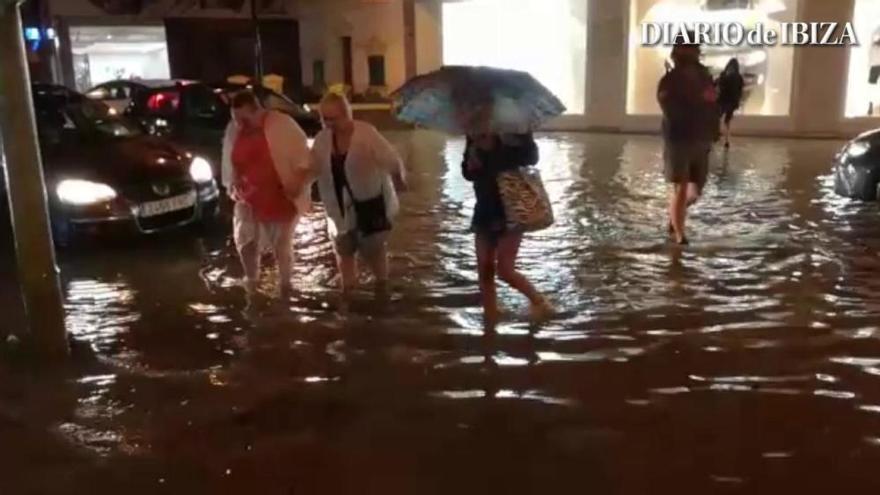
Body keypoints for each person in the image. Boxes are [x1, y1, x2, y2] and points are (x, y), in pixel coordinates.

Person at [310, 92, 406, 293]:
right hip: (337, 208)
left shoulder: (366, 134)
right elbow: (312, 167)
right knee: (344, 252)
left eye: (333, 118)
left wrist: (398, 180)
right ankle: (349, 298)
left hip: (371, 204)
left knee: (375, 253)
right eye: (324, 119)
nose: (328, 124)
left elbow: (391, 159)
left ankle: (382, 292)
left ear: (346, 114)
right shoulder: (321, 140)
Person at [221, 90, 311, 304]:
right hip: (248, 195)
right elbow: (229, 159)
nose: (240, 124)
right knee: (245, 240)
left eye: (244, 119)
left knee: (282, 243)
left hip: (280, 194)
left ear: (257, 110)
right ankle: (252, 280)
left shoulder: (282, 125)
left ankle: (286, 286)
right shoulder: (235, 129)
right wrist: (232, 181)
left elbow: (305, 159)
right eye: (236, 119)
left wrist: (297, 183)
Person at [462, 133, 553, 323]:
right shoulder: (473, 132)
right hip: (484, 207)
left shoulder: (514, 128)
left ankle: (541, 303)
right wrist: (471, 166)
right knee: (484, 268)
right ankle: (491, 316)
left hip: (510, 207)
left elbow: (531, 157)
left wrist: (495, 148)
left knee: (505, 270)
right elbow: (468, 173)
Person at [657, 35, 719, 245]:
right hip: (679, 139)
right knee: (681, 186)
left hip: (701, 138)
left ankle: (675, 216)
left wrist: (713, 128)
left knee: (695, 189)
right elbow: (669, 108)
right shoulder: (670, 79)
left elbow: (713, 103)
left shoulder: (704, 76)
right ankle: (680, 233)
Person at [716, 58, 745, 149]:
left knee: (718, 118)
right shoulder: (738, 77)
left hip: (723, 100)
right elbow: (740, 91)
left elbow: (719, 86)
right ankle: (726, 140)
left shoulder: (724, 75)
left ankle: (717, 136)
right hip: (731, 102)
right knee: (727, 121)